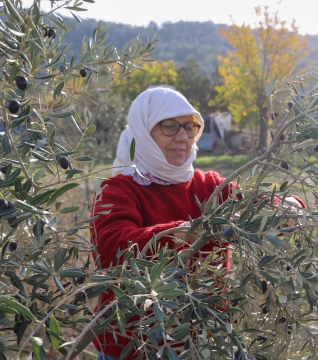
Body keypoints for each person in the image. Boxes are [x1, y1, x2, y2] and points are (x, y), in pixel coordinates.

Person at [90, 88, 302, 359]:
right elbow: (112, 249)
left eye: (190, 127)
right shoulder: (117, 190)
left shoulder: (209, 186)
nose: (182, 137)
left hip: (204, 340)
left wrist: (290, 207)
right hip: (136, 344)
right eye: (169, 126)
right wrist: (191, 231)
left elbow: (252, 204)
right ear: (144, 133)